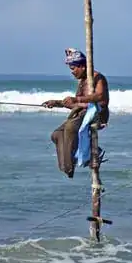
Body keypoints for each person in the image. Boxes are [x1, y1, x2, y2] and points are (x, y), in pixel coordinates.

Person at [41, 48, 111, 178]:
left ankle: (84, 157)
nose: (72, 72)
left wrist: (78, 99)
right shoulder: (82, 82)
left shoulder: (97, 77)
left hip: (97, 113)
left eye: (73, 68)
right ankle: (67, 166)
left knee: (70, 127)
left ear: (82, 67)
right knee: (56, 134)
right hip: (82, 113)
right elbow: (77, 104)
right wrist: (56, 102)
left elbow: (100, 97)